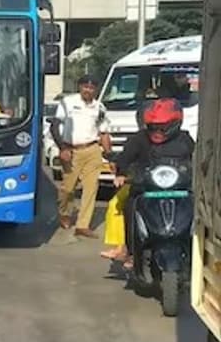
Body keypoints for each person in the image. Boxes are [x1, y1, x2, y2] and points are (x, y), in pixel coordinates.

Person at [108, 97, 193, 270]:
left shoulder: (185, 139)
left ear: (176, 124)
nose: (157, 131)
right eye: (153, 127)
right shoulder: (139, 138)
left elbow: (198, 159)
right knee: (127, 205)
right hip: (145, 188)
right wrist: (122, 174)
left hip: (179, 189)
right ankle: (130, 250)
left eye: (162, 127)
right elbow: (125, 159)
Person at [50, 75, 112, 237]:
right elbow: (54, 126)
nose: (88, 90)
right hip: (71, 150)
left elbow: (104, 132)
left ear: (96, 90)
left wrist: (110, 156)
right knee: (68, 189)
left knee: (91, 188)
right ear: (80, 87)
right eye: (85, 87)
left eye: (91, 88)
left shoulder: (99, 107)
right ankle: (65, 213)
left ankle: (83, 225)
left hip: (92, 150)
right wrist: (62, 147)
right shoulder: (68, 103)